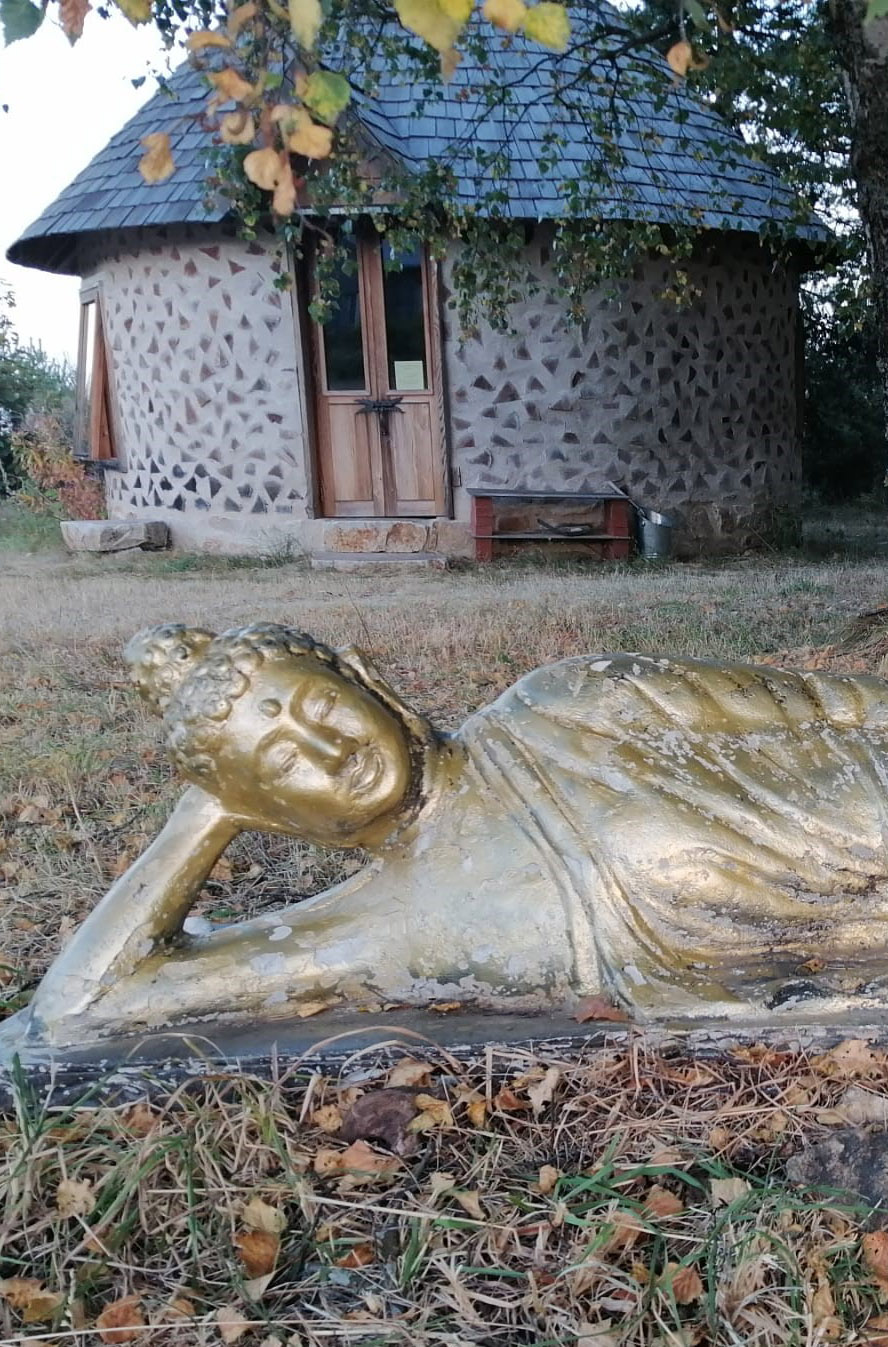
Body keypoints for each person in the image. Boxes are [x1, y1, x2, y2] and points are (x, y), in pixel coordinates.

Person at [16, 623, 888, 1048]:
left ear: (365, 680)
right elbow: (85, 1005)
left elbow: (833, 705)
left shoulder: (564, 703)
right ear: (265, 810)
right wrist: (205, 811)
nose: (329, 749)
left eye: (322, 705)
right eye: (281, 763)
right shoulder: (385, 926)